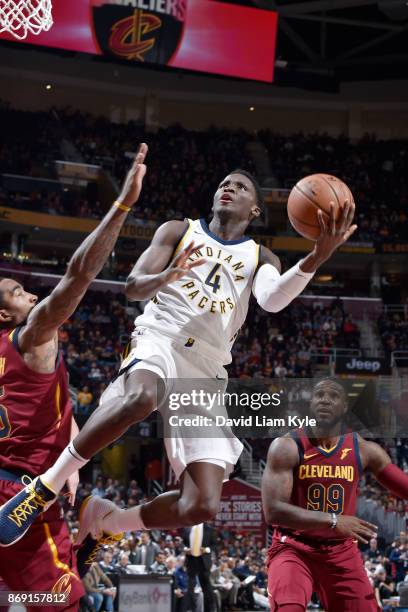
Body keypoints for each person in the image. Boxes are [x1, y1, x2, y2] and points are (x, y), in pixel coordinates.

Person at [0, 162, 357, 548]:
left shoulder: (262, 258)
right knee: (142, 396)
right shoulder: (178, 230)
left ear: (254, 209)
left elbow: (272, 300)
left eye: (240, 187)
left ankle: (110, 521)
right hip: (161, 338)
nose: (228, 188)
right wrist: (164, 277)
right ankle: (45, 487)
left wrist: (317, 256)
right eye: (223, 182)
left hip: (206, 369)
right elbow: (134, 287)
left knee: (201, 505)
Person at [0, 144, 148, 605]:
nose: (29, 294)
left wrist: (71, 440)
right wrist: (122, 206)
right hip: (22, 492)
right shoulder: (31, 336)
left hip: (21, 480)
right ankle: (89, 540)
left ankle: (84, 542)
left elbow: (34, 405)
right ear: (6, 315)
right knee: (59, 603)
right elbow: (79, 274)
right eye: (19, 291)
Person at [262, 378, 408, 612]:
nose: (325, 400)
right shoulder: (287, 446)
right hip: (294, 547)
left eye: (333, 396)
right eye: (319, 395)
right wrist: (333, 520)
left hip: (340, 551)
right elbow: (273, 511)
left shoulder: (364, 449)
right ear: (311, 404)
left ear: (344, 406)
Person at [184, 523, 217, 612]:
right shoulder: (187, 528)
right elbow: (183, 543)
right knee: (190, 588)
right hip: (191, 561)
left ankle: (210, 610)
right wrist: (185, 549)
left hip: (203, 562)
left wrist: (206, 550)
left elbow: (214, 545)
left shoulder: (209, 529)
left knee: (207, 589)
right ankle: (192, 609)